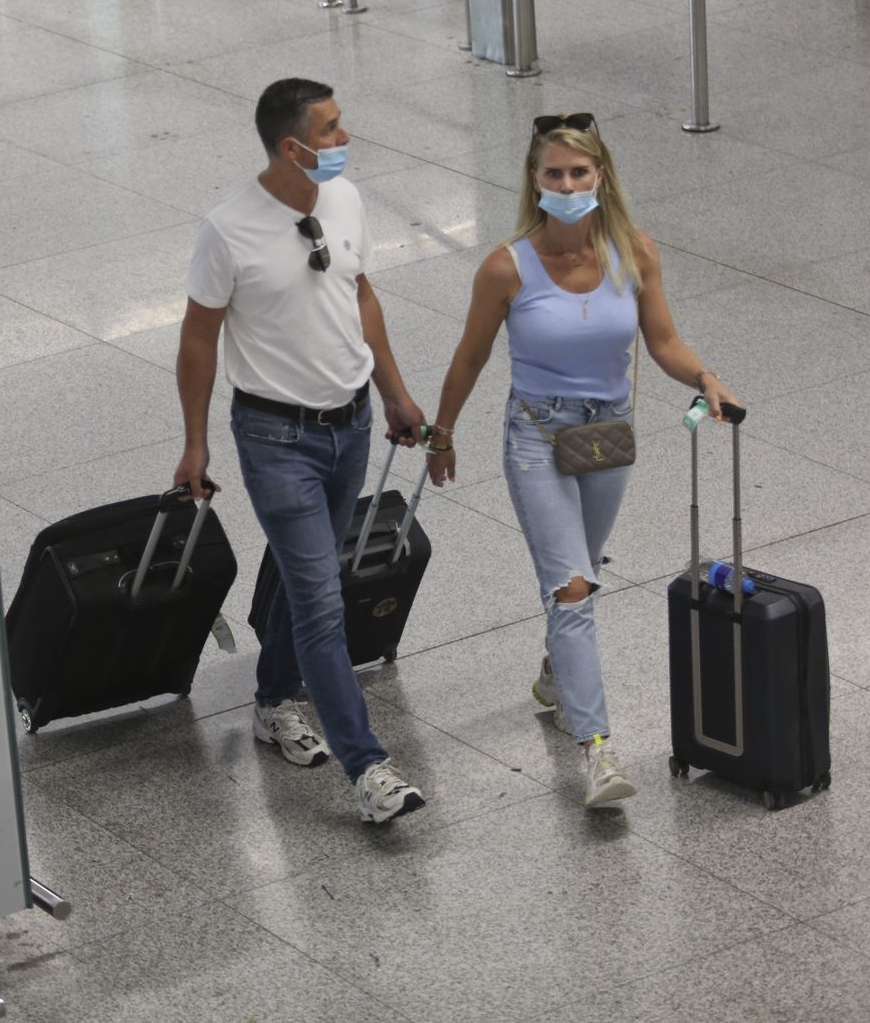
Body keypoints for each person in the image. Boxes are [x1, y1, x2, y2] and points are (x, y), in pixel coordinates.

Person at [425, 113, 742, 806]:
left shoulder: (635, 253)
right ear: (533, 181)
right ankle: (597, 751)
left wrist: (704, 378)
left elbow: (664, 342)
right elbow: (471, 356)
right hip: (536, 435)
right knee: (572, 587)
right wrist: (441, 434)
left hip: (607, 436)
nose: (566, 185)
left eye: (578, 173)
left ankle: (554, 672)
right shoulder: (506, 267)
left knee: (585, 571)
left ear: (601, 176)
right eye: (553, 174)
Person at [174, 78, 428, 824]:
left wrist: (394, 392)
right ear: (293, 147)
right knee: (322, 600)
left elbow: (361, 294)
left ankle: (272, 700)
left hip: (349, 423)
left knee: (303, 574)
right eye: (332, 129)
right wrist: (194, 443)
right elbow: (197, 339)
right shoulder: (228, 230)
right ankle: (369, 768)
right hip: (274, 437)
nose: (345, 140)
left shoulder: (344, 201)